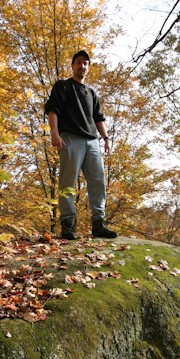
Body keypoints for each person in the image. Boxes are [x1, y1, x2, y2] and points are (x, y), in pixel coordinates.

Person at [44, 50, 118, 240]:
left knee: (98, 182)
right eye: (78, 62)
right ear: (72, 65)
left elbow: (99, 118)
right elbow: (53, 110)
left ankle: (98, 223)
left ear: (88, 67)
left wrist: (107, 139)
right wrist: (54, 133)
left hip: (93, 142)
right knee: (67, 183)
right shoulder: (63, 86)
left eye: (85, 63)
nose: (81, 66)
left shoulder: (92, 93)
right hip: (70, 139)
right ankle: (68, 224)